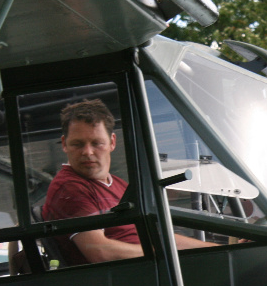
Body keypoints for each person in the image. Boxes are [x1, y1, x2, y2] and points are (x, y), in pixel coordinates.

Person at [42, 99, 215, 265]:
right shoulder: (69, 188)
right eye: (77, 144)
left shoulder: (119, 186)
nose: (87, 152)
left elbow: (163, 238)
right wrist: (165, 254)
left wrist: (220, 249)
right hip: (124, 282)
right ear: (64, 144)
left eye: (97, 143)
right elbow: (101, 253)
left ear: (112, 142)